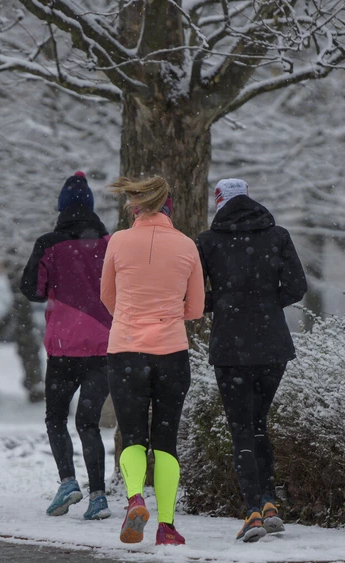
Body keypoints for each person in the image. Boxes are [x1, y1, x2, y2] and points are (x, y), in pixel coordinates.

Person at [196, 179, 307, 543]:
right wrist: (263, 304)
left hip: (230, 347)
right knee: (259, 422)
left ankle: (253, 511)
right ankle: (270, 502)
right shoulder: (278, 235)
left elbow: (195, 294)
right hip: (273, 346)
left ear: (219, 202)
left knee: (241, 427)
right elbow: (296, 287)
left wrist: (225, 303)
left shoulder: (207, 242)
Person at [100, 176, 204, 546]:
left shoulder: (118, 242)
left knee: (132, 435)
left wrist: (131, 317)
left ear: (136, 208)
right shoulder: (187, 246)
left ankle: (134, 499)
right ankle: (167, 526)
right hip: (171, 353)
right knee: (165, 441)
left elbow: (107, 297)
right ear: (169, 208)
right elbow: (195, 308)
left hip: (126, 348)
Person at [20, 171, 113, 521]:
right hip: (104, 347)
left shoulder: (48, 244)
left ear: (61, 208)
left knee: (56, 417)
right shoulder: (110, 243)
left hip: (63, 348)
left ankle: (68, 482)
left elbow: (31, 289)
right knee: (88, 422)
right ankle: (99, 497)